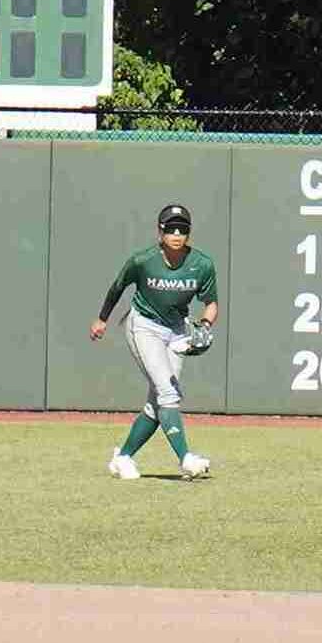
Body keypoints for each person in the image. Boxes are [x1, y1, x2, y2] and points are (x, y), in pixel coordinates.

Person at [86, 201, 222, 481]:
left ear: (189, 234)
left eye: (182, 229)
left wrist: (205, 325)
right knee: (168, 393)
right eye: (170, 229)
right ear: (160, 232)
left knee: (156, 402)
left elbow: (211, 304)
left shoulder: (202, 264)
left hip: (176, 330)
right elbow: (117, 287)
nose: (176, 234)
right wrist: (102, 319)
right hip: (143, 326)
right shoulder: (143, 261)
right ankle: (186, 458)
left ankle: (123, 457)